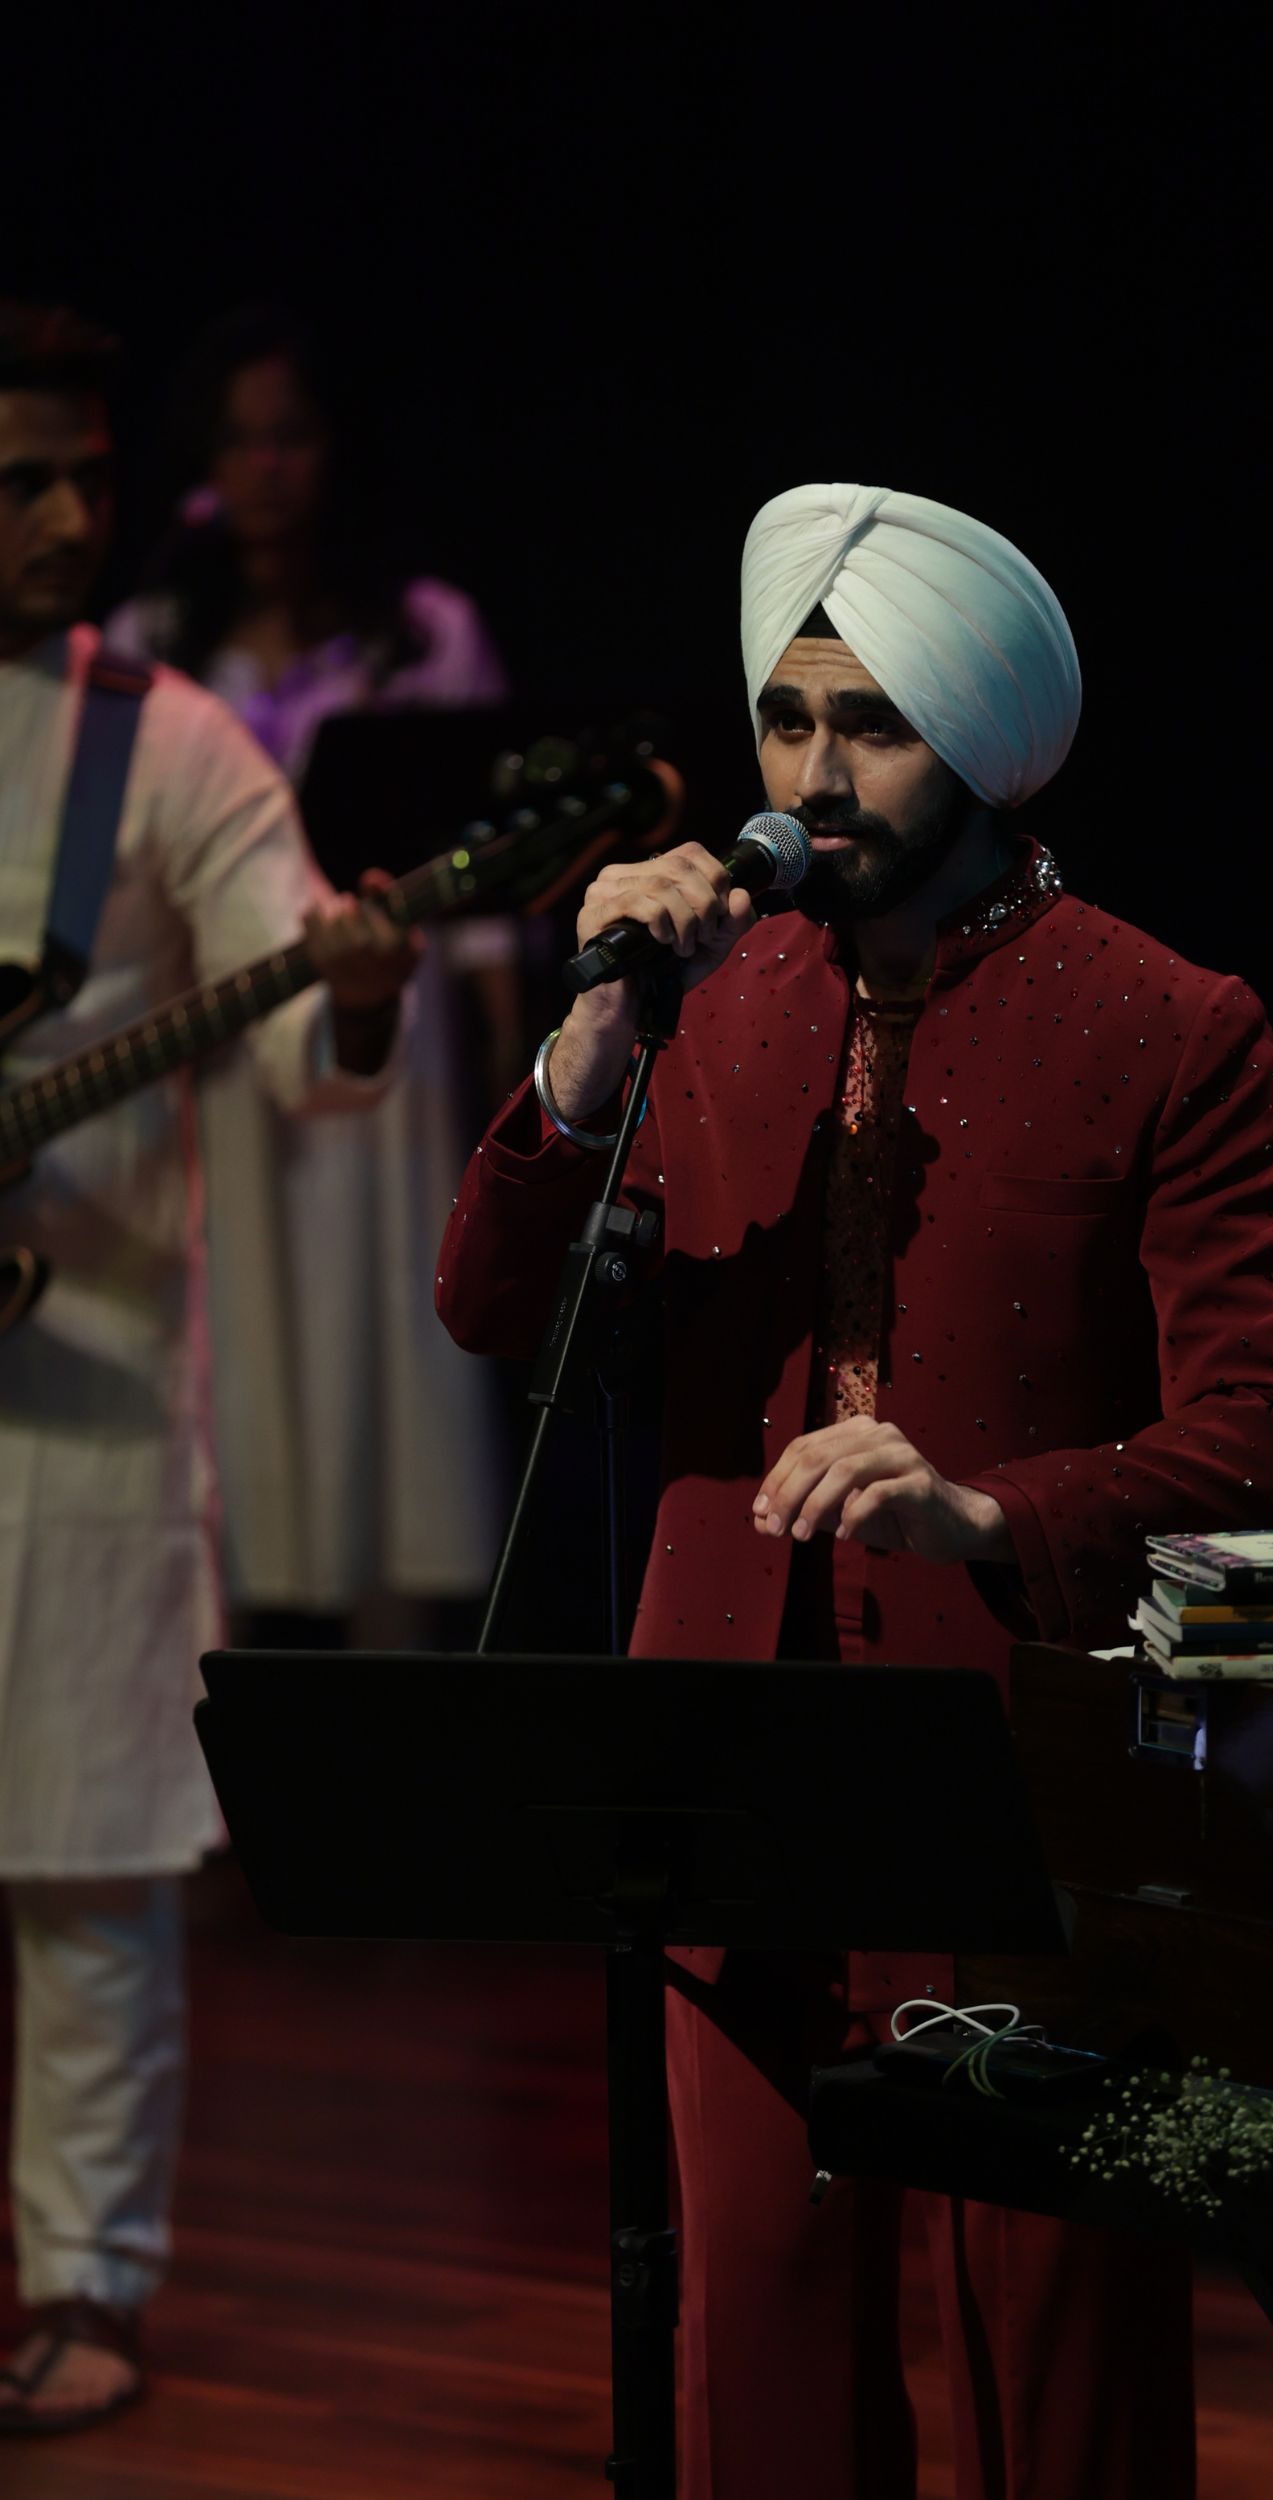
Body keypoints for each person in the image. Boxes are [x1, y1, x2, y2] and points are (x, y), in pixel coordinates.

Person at [436, 480, 1273, 2499]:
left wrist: (991, 1514)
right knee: (755, 2333)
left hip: (1026, 1771)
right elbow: (489, 1307)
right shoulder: (699, 1007)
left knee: (1055, 2349)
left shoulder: (1168, 1021)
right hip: (725, 1764)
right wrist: (587, 1039)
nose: (816, 779)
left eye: (874, 726)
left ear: (985, 745)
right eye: (786, 720)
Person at [0, 303, 418, 2433]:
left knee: (85, 1859)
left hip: (84, 1382)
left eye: (87, 474)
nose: (70, 517)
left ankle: (86, 2276)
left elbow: (295, 1029)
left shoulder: (162, 745)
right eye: (21, 483)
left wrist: (356, 992)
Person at [107, 307, 511, 1642]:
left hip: (392, 1038)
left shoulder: (423, 633)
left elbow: (490, 906)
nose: (267, 467)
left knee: (383, 1343)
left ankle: (396, 1688)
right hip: (218, 1045)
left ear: (334, 450)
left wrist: (509, 1080)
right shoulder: (151, 638)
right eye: (239, 441)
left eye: (290, 436)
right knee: (243, 1342)